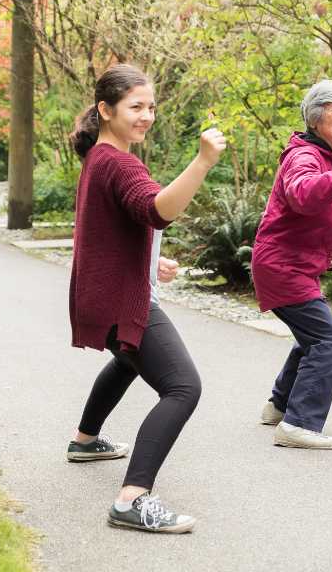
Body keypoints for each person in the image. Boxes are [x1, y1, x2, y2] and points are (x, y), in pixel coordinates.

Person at [67, 63, 226, 532]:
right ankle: (132, 498)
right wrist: (201, 162)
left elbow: (103, 230)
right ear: (106, 109)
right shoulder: (118, 162)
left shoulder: (98, 158)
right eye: (136, 107)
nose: (146, 115)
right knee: (182, 388)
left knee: (127, 359)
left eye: (151, 106)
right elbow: (158, 211)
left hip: (101, 291)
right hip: (119, 299)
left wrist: (147, 262)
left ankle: (85, 440)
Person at [251, 79, 332, 449]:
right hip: (282, 266)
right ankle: (298, 424)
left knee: (312, 337)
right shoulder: (304, 156)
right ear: (314, 116)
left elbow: (326, 212)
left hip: (293, 265)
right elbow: (304, 195)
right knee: (327, 341)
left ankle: (278, 406)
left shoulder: (327, 156)